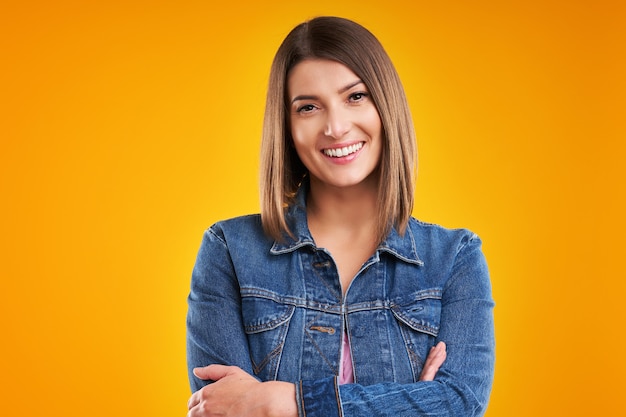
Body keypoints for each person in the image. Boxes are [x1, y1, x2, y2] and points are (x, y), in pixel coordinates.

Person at [186, 16, 495, 417]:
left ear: (385, 105)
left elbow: (460, 403)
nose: (335, 127)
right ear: (287, 126)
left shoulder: (454, 259)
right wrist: (408, 403)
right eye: (309, 107)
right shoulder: (229, 252)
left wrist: (287, 402)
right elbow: (222, 409)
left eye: (355, 97)